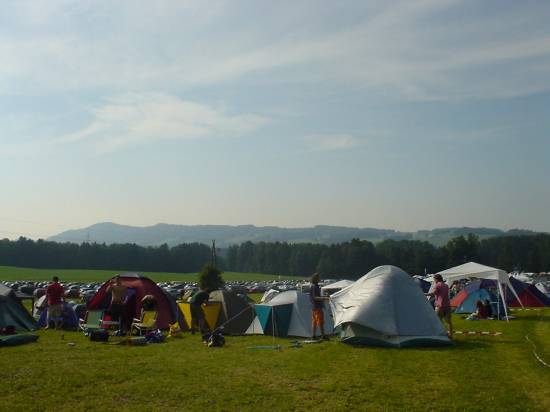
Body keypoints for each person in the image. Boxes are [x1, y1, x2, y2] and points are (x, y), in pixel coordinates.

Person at [426, 274, 453, 338]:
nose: (434, 281)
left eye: (434, 279)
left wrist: (424, 294)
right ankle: (450, 334)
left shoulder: (437, 285)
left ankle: (440, 334)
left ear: (436, 279)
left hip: (440, 306)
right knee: (448, 321)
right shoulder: (446, 285)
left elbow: (433, 293)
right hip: (447, 305)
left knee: (438, 321)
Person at [310, 273, 330, 341]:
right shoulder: (314, 286)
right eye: (319, 278)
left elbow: (316, 296)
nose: (320, 279)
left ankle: (313, 336)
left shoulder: (315, 286)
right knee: (320, 321)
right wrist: (324, 298)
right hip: (317, 307)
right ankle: (323, 336)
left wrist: (324, 297)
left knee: (315, 321)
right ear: (316, 279)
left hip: (314, 307)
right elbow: (315, 297)